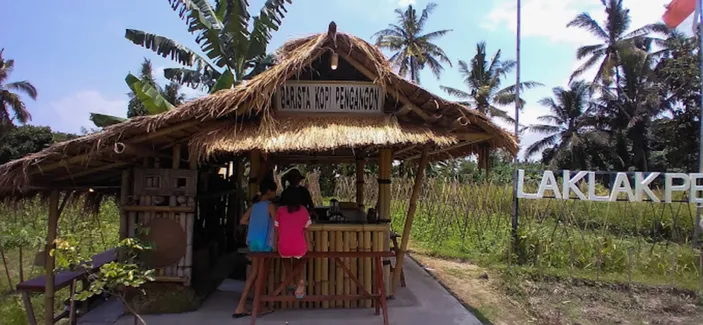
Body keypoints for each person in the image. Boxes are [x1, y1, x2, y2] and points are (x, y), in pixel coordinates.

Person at [232, 179, 277, 318]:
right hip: (264, 243)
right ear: (269, 191)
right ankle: (258, 307)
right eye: (274, 191)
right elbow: (277, 224)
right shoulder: (270, 206)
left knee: (254, 273)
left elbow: (242, 221)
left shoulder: (254, 206)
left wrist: (256, 222)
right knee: (261, 274)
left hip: (253, 242)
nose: (275, 194)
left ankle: (241, 305)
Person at [275, 188, 312, 299]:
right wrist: (309, 244)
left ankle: (291, 281)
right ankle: (299, 279)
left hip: (284, 246)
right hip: (299, 246)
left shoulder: (280, 210)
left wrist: (275, 244)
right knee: (298, 262)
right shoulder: (304, 210)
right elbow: (306, 229)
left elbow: (277, 229)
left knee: (286, 260)